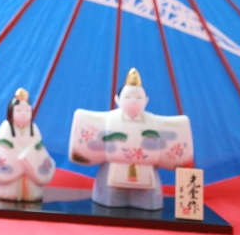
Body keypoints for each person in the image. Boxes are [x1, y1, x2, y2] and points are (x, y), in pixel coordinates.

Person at [69, 68, 193, 210]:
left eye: (139, 98)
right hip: (112, 168)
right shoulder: (108, 120)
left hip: (147, 170)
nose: (133, 101)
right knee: (111, 200)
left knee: (148, 201)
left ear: (146, 100)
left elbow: (172, 135)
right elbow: (91, 134)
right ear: (117, 99)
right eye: (128, 97)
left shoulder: (155, 121)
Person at [0, 88, 55, 202]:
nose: (24, 114)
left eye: (27, 110)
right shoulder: (6, 127)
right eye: (18, 110)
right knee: (8, 188)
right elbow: (1, 147)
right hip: (9, 178)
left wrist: (30, 156)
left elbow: (39, 148)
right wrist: (19, 156)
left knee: (32, 187)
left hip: (30, 173)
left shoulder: (34, 128)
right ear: (11, 112)